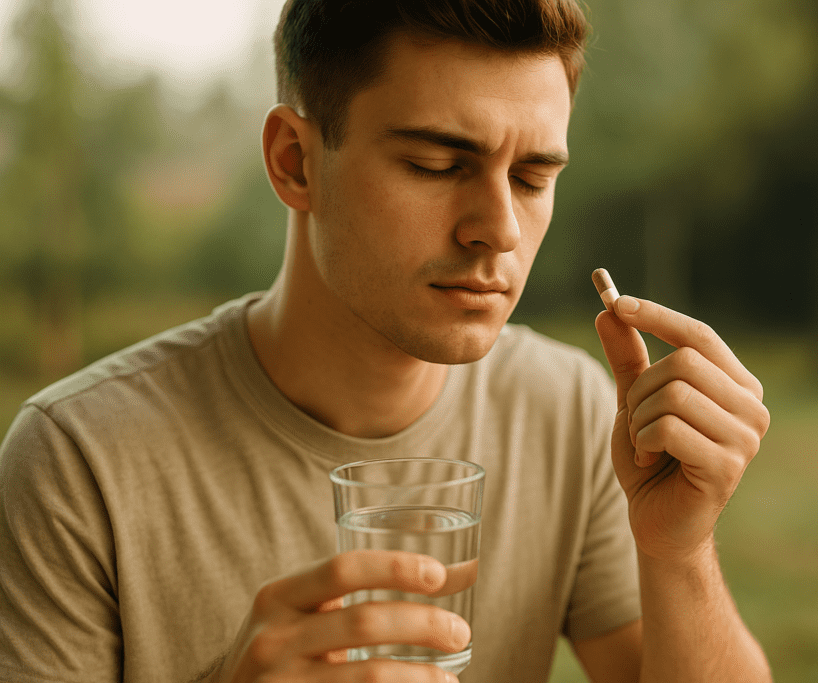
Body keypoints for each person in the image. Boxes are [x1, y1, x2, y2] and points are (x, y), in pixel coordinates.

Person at [0, 1, 772, 681]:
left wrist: (678, 552)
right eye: (437, 164)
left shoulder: (572, 411)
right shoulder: (78, 463)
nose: (498, 230)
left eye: (533, 178)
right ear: (294, 161)